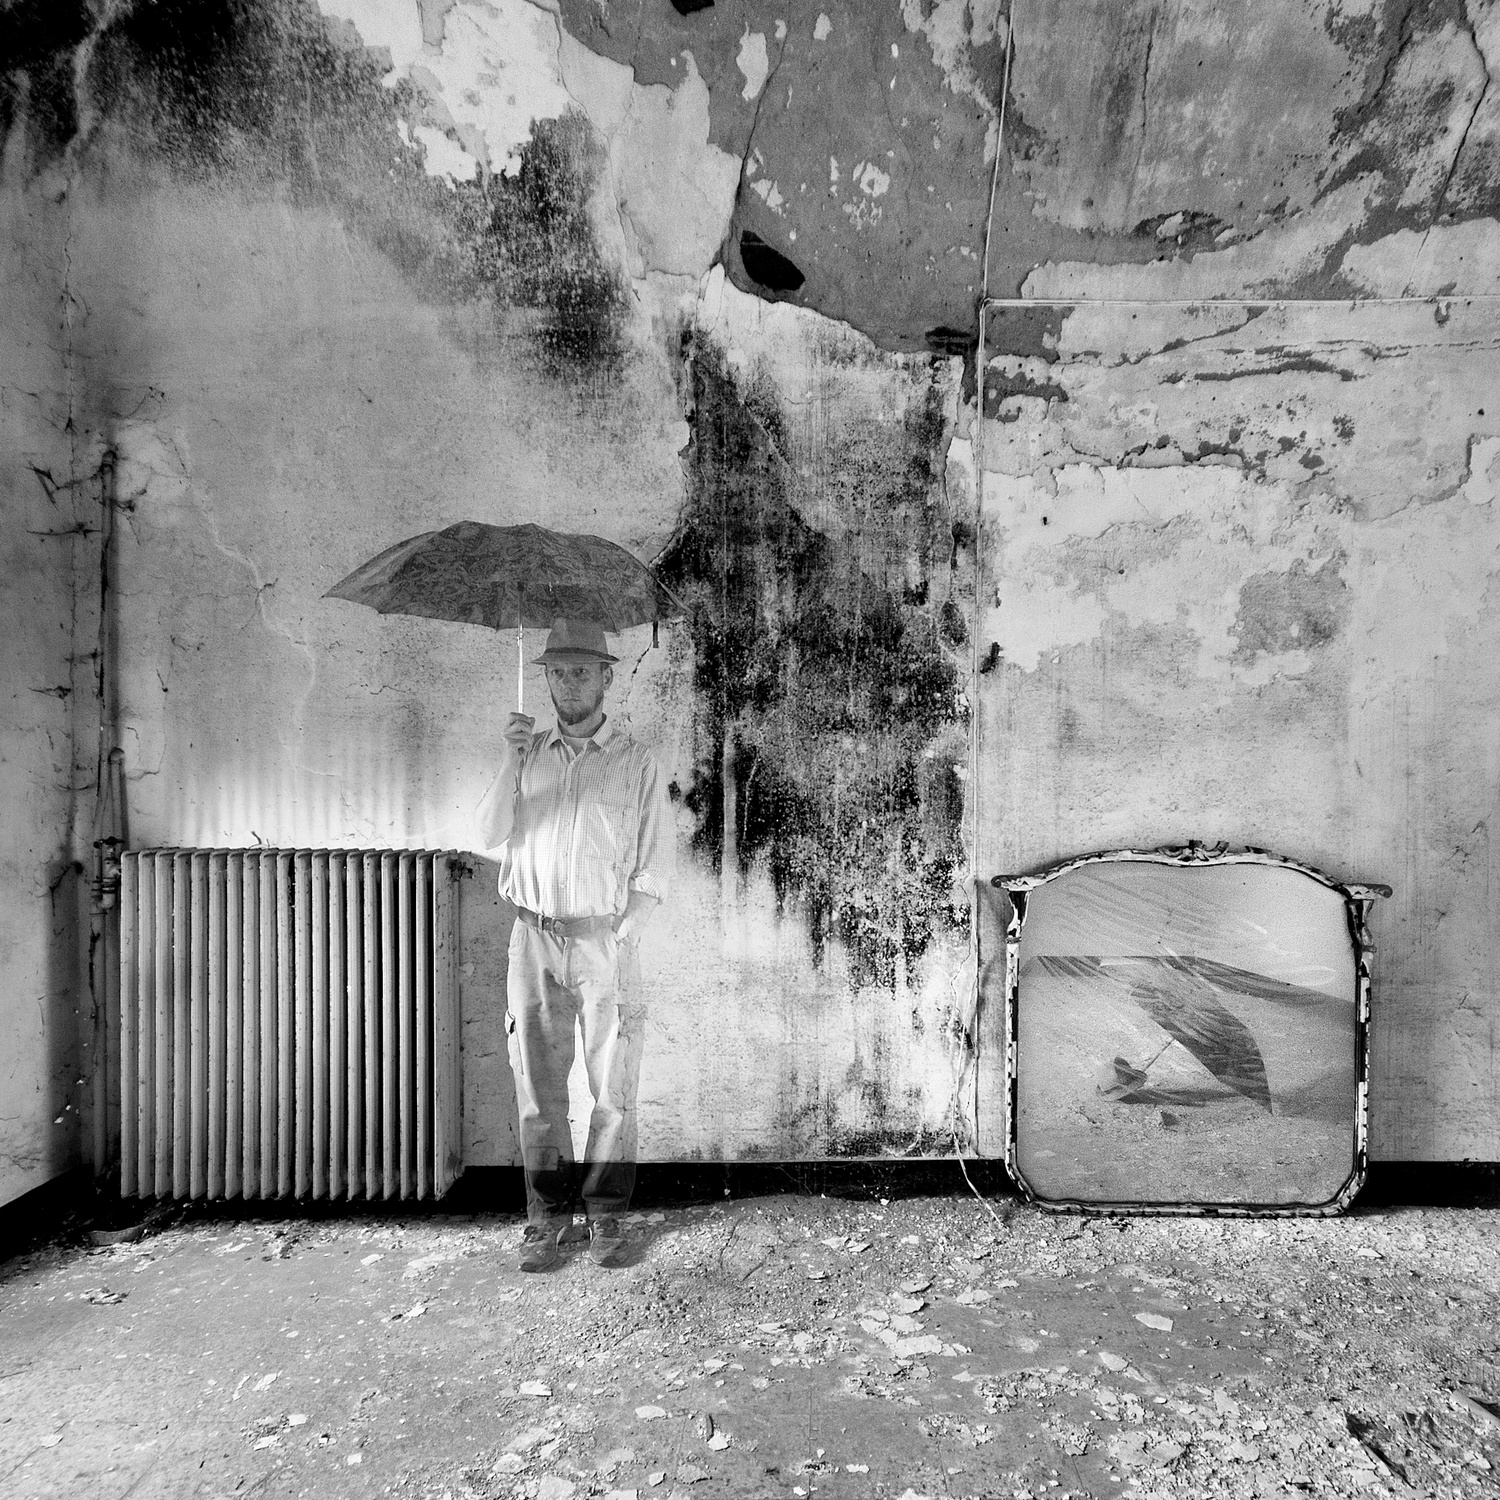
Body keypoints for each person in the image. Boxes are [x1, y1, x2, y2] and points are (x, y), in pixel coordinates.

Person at [476, 617, 674, 1271]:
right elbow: (487, 835)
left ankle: (608, 1217)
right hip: (532, 939)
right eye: (558, 672)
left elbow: (653, 866)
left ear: (606, 678)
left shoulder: (635, 762)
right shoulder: (525, 753)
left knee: (610, 1089)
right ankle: (547, 1220)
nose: (568, 684)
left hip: (602, 944)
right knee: (538, 1089)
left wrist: (624, 933)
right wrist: (510, 759)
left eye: (581, 672)